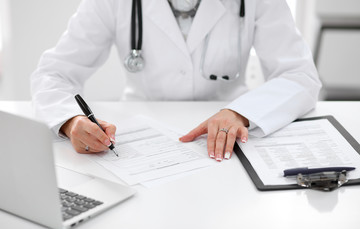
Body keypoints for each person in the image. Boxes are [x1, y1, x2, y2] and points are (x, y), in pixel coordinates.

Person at [31, 0, 321, 162]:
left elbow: (300, 75)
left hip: (230, 145)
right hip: (135, 144)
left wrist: (241, 112)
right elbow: (53, 74)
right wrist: (70, 121)